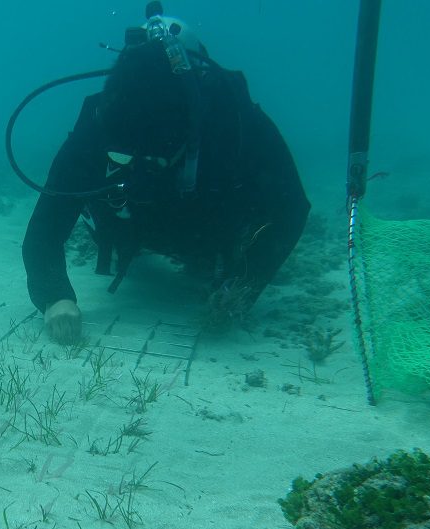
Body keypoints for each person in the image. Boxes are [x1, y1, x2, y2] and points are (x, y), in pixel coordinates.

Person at [20, 4, 310, 344]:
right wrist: (55, 296)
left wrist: (242, 286)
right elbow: (47, 224)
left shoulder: (237, 124)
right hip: (125, 223)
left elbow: (291, 209)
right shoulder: (104, 120)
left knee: (212, 251)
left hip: (209, 232)